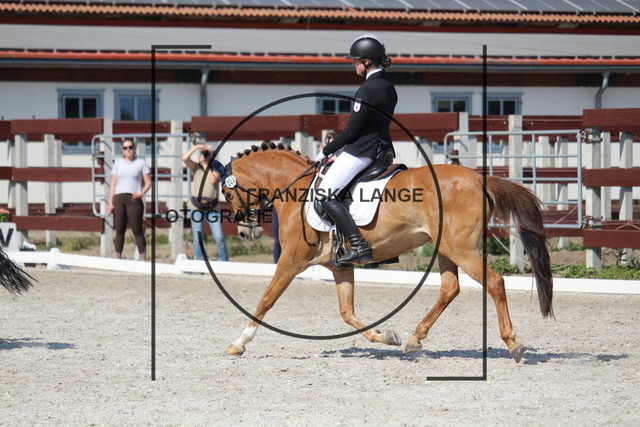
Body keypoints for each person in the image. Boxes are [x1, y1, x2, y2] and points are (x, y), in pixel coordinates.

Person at [314, 34, 397, 265]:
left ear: (367, 61)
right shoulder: (389, 86)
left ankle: (359, 246)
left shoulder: (367, 90)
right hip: (383, 149)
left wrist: (327, 150)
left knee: (325, 194)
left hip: (362, 150)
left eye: (355, 60)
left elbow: (352, 130)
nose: (353, 64)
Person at [182, 144, 228, 262]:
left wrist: (205, 164)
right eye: (204, 153)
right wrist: (196, 147)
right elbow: (184, 158)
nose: (205, 155)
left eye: (207, 153)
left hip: (212, 208)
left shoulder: (217, 168)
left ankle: (224, 261)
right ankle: (200, 262)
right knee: (198, 238)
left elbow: (213, 180)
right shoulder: (196, 167)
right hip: (196, 207)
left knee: (219, 236)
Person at [108, 139, 151, 261]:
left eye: (130, 147)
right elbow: (113, 184)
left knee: (137, 229)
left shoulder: (141, 163)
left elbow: (148, 182)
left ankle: (142, 259)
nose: (128, 150)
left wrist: (141, 193)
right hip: (119, 197)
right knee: (119, 229)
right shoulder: (118, 164)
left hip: (133, 198)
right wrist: (110, 202)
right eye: (125, 148)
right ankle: (117, 259)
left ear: (134, 148)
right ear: (122, 150)